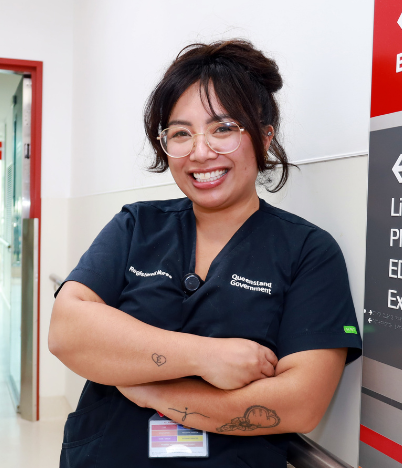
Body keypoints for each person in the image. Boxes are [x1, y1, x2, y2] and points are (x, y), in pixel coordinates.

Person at [48, 39, 362, 467]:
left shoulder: (307, 251)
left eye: (223, 128)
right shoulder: (137, 225)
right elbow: (67, 330)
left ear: (264, 138)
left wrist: (151, 390)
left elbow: (299, 403)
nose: (200, 151)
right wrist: (204, 356)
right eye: (180, 133)